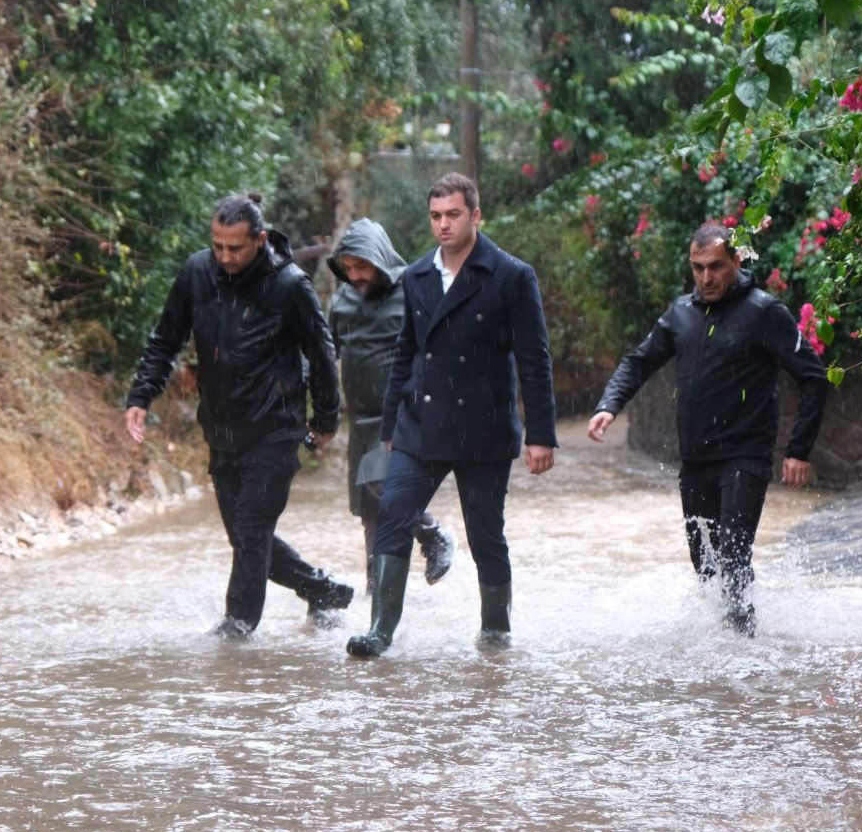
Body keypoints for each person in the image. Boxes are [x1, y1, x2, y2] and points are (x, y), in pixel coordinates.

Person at [346, 173, 558, 658]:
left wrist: (541, 434)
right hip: (420, 424)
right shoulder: (417, 276)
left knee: (485, 533)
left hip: (485, 427)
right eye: (436, 216)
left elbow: (534, 358)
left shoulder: (510, 275)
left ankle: (496, 632)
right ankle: (381, 630)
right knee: (394, 514)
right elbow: (406, 353)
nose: (444, 224)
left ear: (475, 216)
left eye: (453, 215)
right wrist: (388, 429)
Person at [124, 193, 355, 638]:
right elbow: (166, 339)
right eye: (218, 246)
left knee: (251, 531)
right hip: (222, 430)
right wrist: (141, 395)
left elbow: (322, 354)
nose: (225, 257)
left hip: (275, 430)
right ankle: (320, 589)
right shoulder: (197, 274)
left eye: (236, 248)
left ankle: (236, 629)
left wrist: (325, 419)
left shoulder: (290, 286)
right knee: (248, 538)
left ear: (261, 240)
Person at [586, 222, 828, 637]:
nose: (706, 278)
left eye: (715, 266)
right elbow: (638, 362)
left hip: (745, 458)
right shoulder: (681, 314)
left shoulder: (763, 311)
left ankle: (742, 654)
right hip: (696, 461)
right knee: (706, 567)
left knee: (734, 556)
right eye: (697, 268)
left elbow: (814, 377)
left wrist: (798, 450)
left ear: (736, 261)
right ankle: (719, 656)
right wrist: (610, 405)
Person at [326, 218, 456, 594]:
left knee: (383, 482)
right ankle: (378, 598)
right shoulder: (343, 301)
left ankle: (433, 535)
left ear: (381, 259)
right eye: (348, 268)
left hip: (404, 416)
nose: (356, 276)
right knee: (374, 516)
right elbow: (325, 351)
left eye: (362, 266)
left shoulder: (413, 289)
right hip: (361, 422)